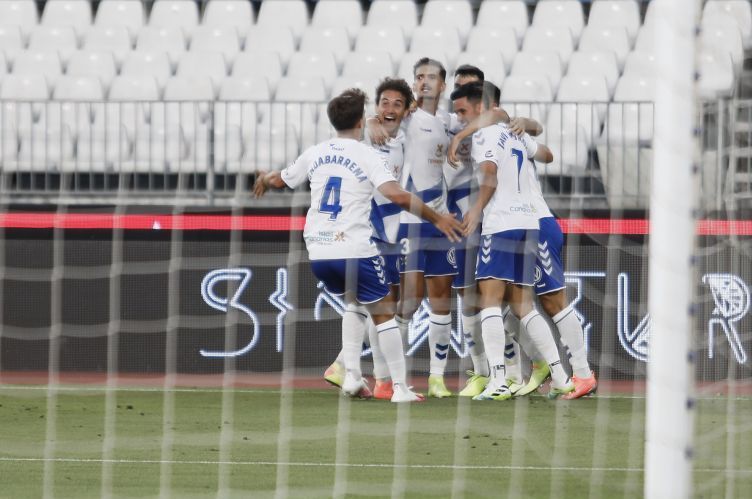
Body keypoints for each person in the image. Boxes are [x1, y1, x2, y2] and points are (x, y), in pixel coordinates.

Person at [254, 88, 463, 403]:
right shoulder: (367, 154)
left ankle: (351, 375)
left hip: (319, 253)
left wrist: (266, 180)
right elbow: (398, 195)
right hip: (355, 247)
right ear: (360, 120)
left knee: (355, 303)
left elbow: (281, 179)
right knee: (384, 314)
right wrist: (438, 218)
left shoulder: (315, 151)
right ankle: (399, 388)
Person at [451, 81, 574, 400]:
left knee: (489, 300)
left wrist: (477, 209)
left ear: (481, 108)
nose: (461, 119)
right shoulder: (512, 132)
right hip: (529, 222)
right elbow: (547, 153)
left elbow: (489, 172)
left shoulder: (485, 134)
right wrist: (529, 128)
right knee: (522, 304)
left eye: (464, 111)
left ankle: (499, 380)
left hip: (502, 222)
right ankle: (561, 376)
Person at [322, 78, 414, 400]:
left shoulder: (405, 136)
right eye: (383, 103)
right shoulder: (368, 138)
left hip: (390, 232)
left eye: (397, 104)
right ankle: (381, 380)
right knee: (380, 305)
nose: (389, 109)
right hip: (370, 230)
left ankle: (347, 368)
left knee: (377, 303)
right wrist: (371, 122)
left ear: (406, 110)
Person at [393, 58, 457, 398]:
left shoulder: (449, 121)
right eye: (419, 77)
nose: (424, 82)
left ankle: (437, 378)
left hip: (442, 219)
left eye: (431, 77)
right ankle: (395, 376)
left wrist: (465, 137)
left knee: (442, 298)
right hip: (412, 221)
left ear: (443, 85)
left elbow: (492, 117)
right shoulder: (407, 117)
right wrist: (375, 122)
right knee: (411, 299)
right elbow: (381, 121)